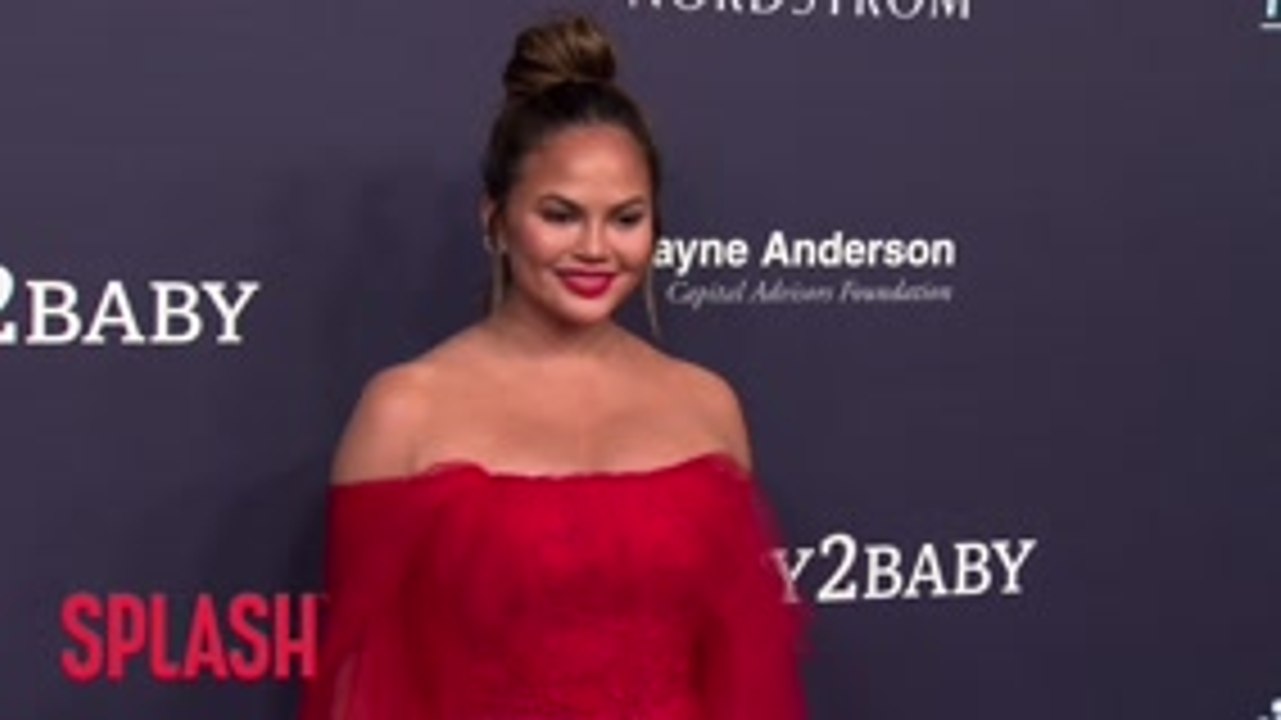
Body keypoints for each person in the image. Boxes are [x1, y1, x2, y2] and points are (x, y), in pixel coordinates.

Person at [299, 14, 809, 720]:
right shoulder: (404, 411)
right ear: (495, 220)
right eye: (561, 215)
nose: (596, 248)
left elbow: (743, 679)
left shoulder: (706, 405)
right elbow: (365, 689)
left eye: (625, 218)